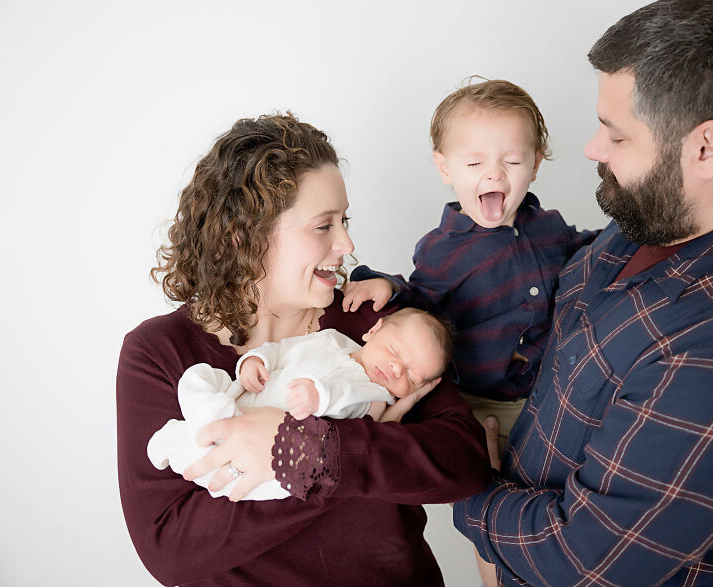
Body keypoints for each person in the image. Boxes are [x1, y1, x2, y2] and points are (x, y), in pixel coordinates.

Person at [453, 1, 713, 585]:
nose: (594, 148)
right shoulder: (679, 208)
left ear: (707, 148)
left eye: (616, 134)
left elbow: (584, 559)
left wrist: (462, 480)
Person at [116, 113, 490, 586]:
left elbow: (465, 459)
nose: (347, 243)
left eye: (344, 221)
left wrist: (315, 451)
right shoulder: (159, 353)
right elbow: (171, 548)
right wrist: (349, 454)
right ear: (244, 237)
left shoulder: (368, 322)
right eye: (322, 226)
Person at [344, 79, 597, 454]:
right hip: (480, 398)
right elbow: (417, 304)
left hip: (551, 387)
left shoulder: (549, 228)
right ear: (445, 168)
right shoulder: (443, 250)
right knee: (484, 460)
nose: (494, 174)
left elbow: (593, 249)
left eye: (512, 161)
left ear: (535, 164)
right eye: (475, 163)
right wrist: (385, 285)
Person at [146, 308, 451, 501]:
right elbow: (283, 350)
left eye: (411, 376)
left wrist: (319, 396)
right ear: (374, 330)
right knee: (198, 376)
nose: (396, 368)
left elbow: (347, 405)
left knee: (273, 485)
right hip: (242, 398)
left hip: (272, 455)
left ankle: (183, 441)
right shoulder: (331, 339)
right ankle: (207, 421)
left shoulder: (375, 397)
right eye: (395, 350)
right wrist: (256, 361)